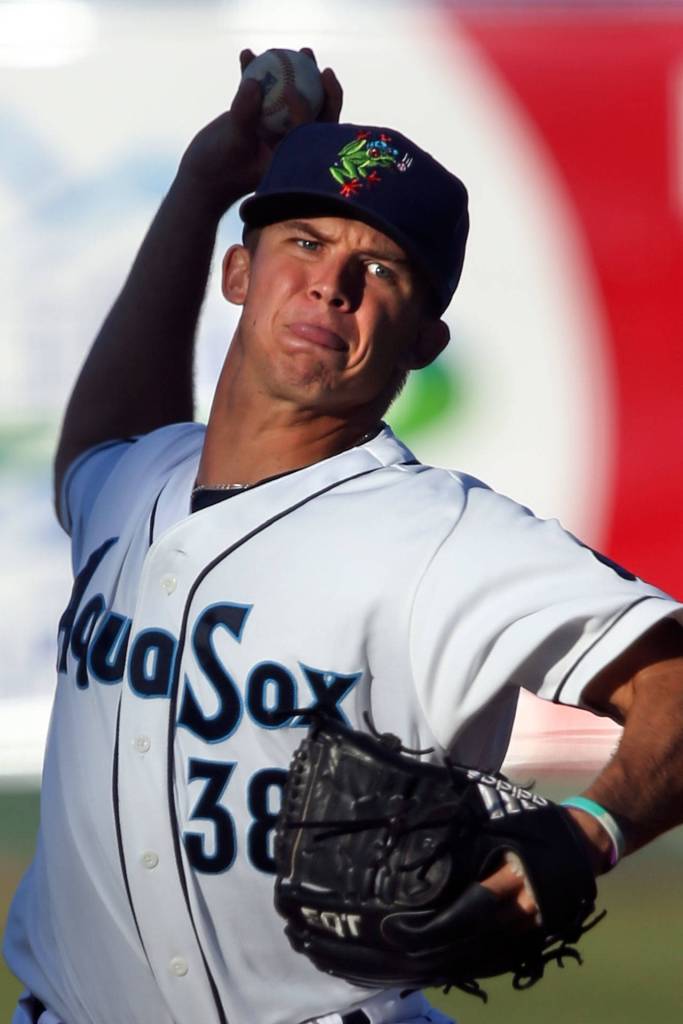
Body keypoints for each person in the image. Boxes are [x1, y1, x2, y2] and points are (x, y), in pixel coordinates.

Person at [4, 47, 683, 1024]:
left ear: (423, 340)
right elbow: (99, 443)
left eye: (380, 268)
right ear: (238, 270)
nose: (332, 284)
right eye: (305, 243)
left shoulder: (434, 536)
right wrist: (201, 188)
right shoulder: (132, 483)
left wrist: (581, 832)